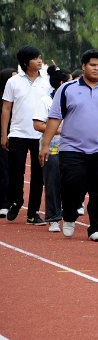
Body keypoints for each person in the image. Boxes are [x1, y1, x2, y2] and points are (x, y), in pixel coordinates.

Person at [39, 50, 98, 240]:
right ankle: (69, 215)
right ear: (84, 66)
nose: (97, 69)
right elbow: (55, 117)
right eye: (93, 65)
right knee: (73, 185)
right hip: (72, 149)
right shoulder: (67, 89)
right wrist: (45, 146)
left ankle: (96, 228)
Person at [2, 45, 50, 223]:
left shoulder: (47, 80)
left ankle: (33, 212)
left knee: (39, 175)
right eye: (35, 58)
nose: (39, 61)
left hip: (40, 134)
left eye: (40, 57)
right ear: (24, 62)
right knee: (16, 172)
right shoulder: (13, 82)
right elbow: (6, 108)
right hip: (17, 133)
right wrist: (4, 134)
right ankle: (16, 201)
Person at [32, 65, 71, 232]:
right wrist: (61, 130)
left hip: (71, 147)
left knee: (70, 182)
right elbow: (37, 124)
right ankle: (54, 218)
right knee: (52, 182)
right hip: (52, 149)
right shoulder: (46, 101)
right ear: (62, 83)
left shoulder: (72, 100)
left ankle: (69, 214)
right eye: (70, 82)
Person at [0, 68, 17, 218]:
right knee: (3, 170)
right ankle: (3, 203)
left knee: (14, 171)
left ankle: (11, 200)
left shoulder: (18, 97)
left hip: (17, 136)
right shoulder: (4, 101)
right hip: (4, 137)